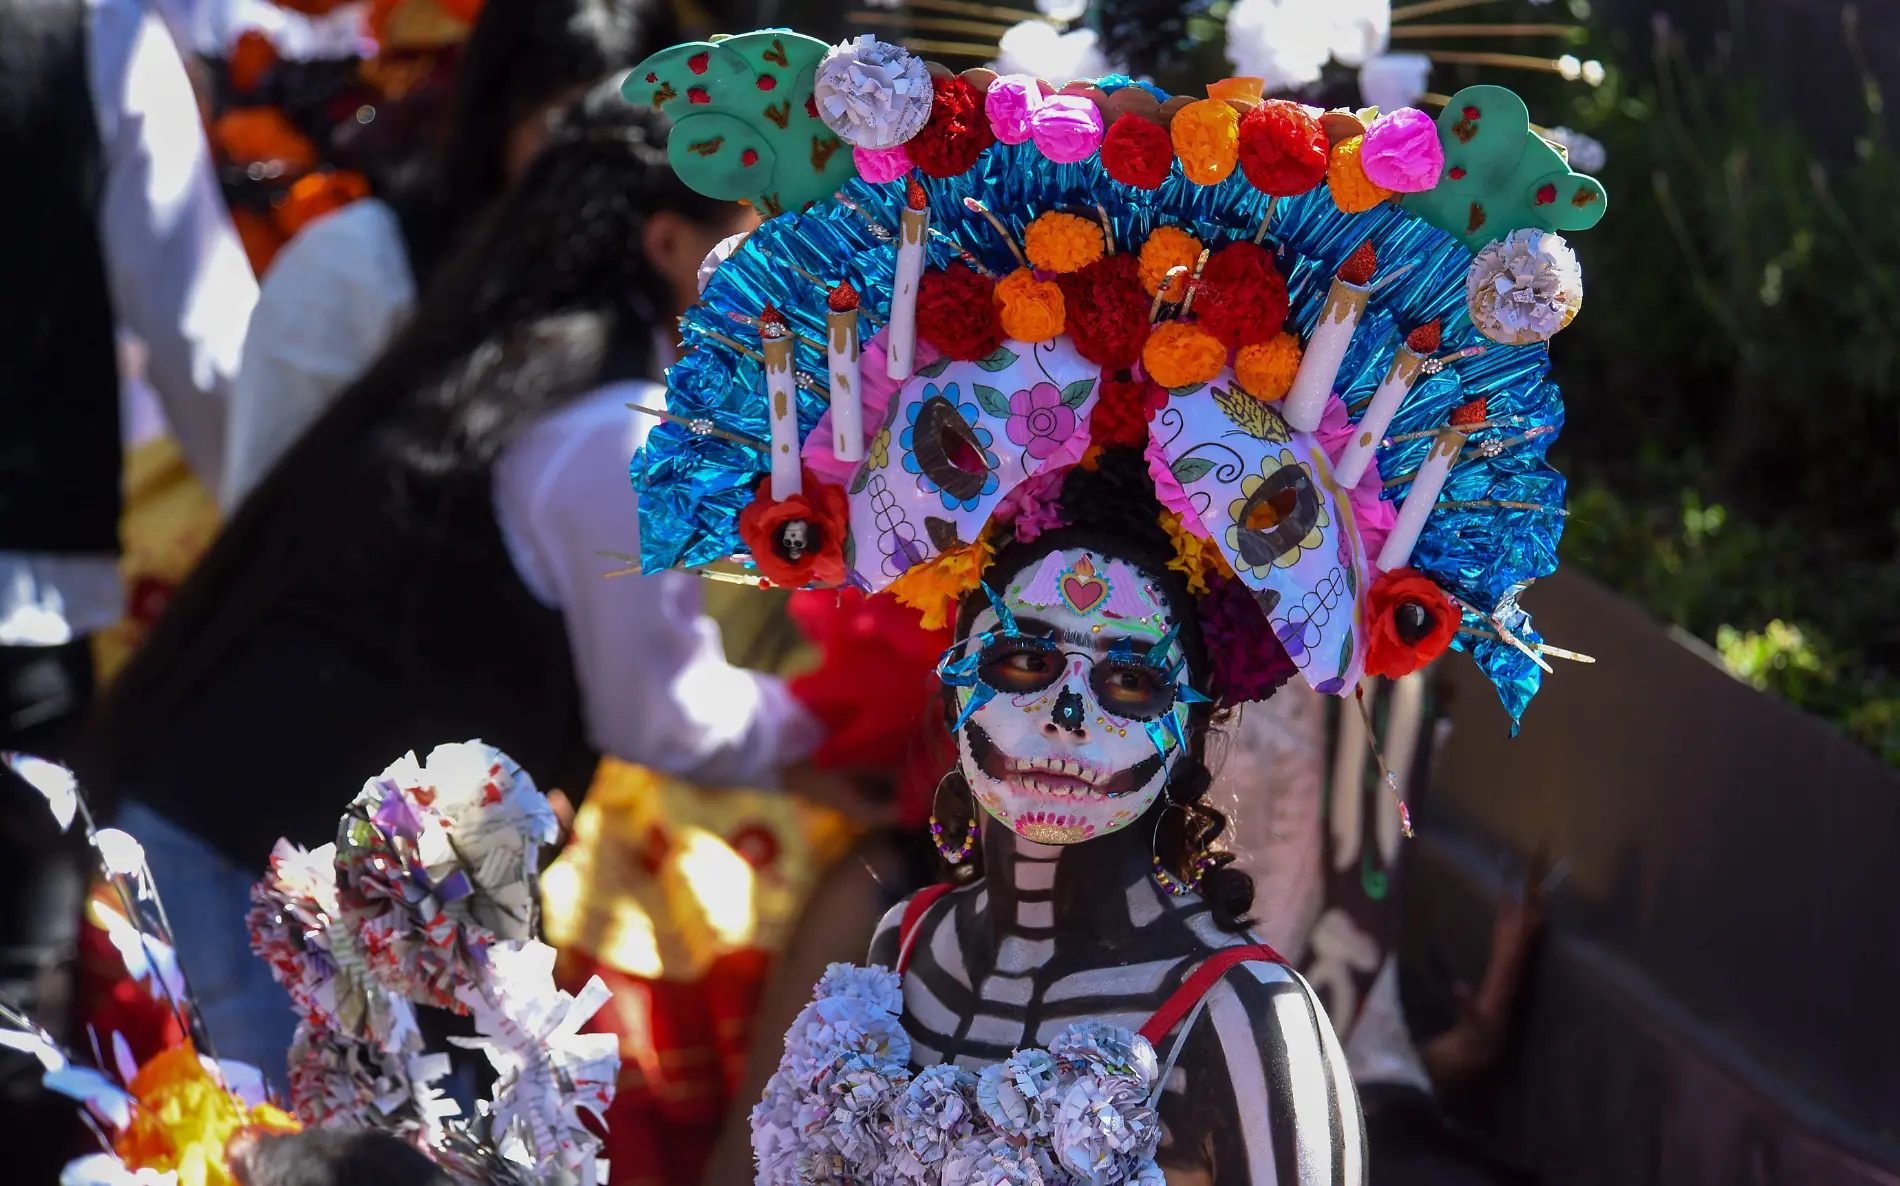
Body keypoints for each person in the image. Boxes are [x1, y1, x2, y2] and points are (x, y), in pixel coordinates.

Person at [625, 26, 1602, 1182]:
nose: (1064, 720)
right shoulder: (902, 949)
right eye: (1026, 662)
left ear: (1193, 721)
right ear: (958, 669)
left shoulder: (1244, 1022)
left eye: (1130, 681)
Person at [77, 80, 826, 1084]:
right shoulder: (619, 430)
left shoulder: (516, 360)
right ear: (668, 245)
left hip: (227, 828)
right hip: (245, 856)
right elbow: (662, 712)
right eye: (759, 239)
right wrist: (839, 728)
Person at [0, 0, 255, 1177]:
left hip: (28, 591)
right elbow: (204, 343)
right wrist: (270, 533)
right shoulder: (83, 30)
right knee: (10, 1009)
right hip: (18, 603)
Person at [221, 0, 678, 505]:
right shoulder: (358, 269)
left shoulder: (668, 277)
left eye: (629, 130)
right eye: (563, 127)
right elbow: (264, 508)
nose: (594, 164)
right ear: (496, 117)